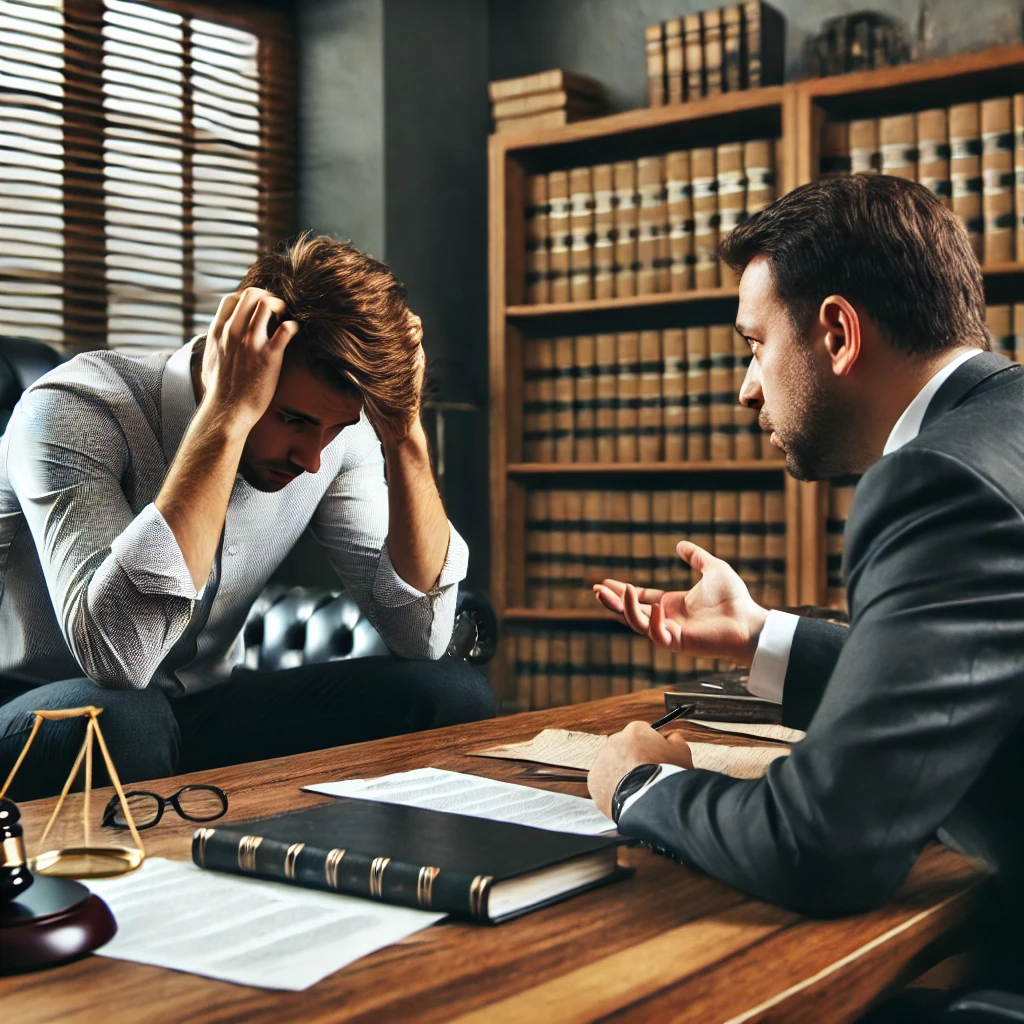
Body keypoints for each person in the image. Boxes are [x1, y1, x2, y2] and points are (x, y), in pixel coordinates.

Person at [588, 175, 1024, 936]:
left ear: (838, 334)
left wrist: (640, 784)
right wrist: (763, 636)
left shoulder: (935, 483)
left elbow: (820, 844)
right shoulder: (1004, 427)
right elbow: (957, 678)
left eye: (755, 347)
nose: (746, 391)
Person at [0, 234, 494, 801]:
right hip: (34, 711)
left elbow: (422, 636)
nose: (312, 459)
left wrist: (403, 431)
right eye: (293, 420)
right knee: (126, 721)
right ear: (231, 357)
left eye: (334, 430)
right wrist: (227, 418)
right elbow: (119, 659)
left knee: (453, 694)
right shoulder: (73, 408)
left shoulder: (332, 435)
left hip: (199, 709)